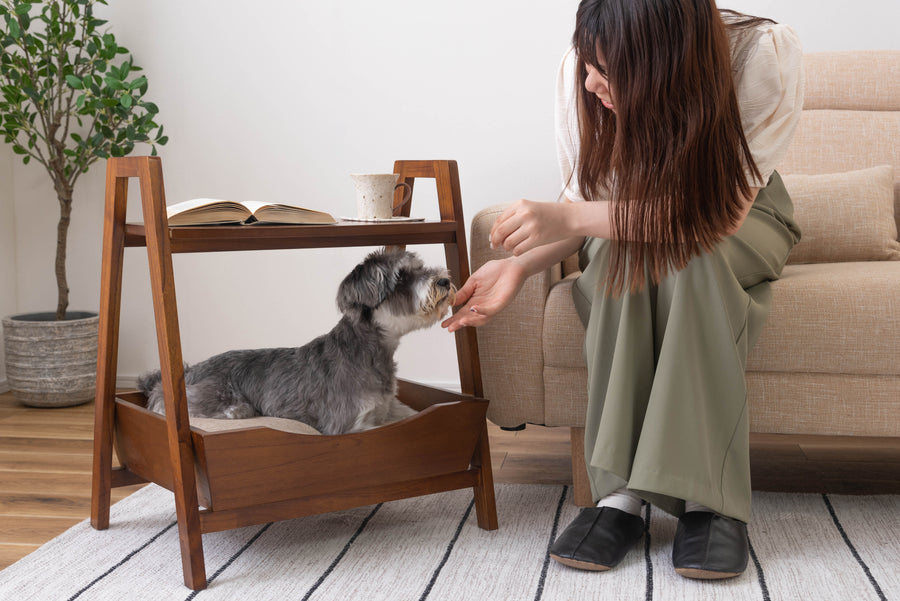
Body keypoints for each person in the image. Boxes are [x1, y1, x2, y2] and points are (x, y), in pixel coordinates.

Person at [442, 0, 804, 580]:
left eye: (608, 72)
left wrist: (575, 220)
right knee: (617, 255)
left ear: (666, 63)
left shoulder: (761, 55)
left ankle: (710, 504)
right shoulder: (579, 77)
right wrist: (518, 267)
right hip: (625, 226)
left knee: (697, 258)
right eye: (589, 62)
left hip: (740, 218)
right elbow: (584, 215)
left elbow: (716, 220)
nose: (590, 82)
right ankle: (620, 497)